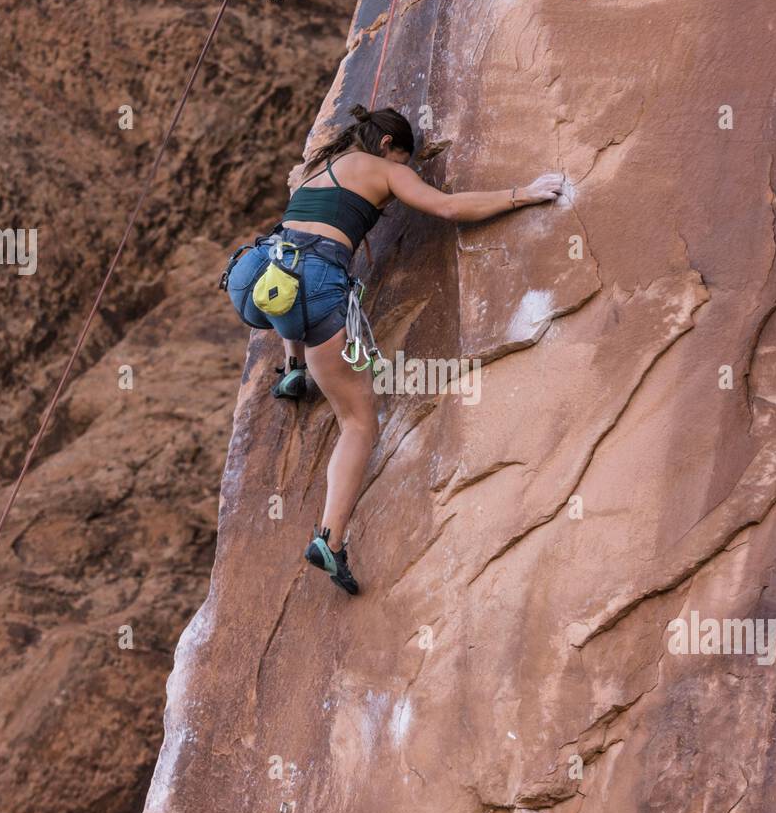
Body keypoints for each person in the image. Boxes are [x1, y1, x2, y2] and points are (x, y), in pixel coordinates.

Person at [227, 104, 563, 594]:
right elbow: (446, 208)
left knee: (294, 273)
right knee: (359, 422)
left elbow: (297, 256)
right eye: (405, 160)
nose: (402, 173)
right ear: (388, 146)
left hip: (256, 274)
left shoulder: (316, 171)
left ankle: (292, 367)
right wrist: (523, 194)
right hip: (315, 286)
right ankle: (331, 539)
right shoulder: (384, 168)